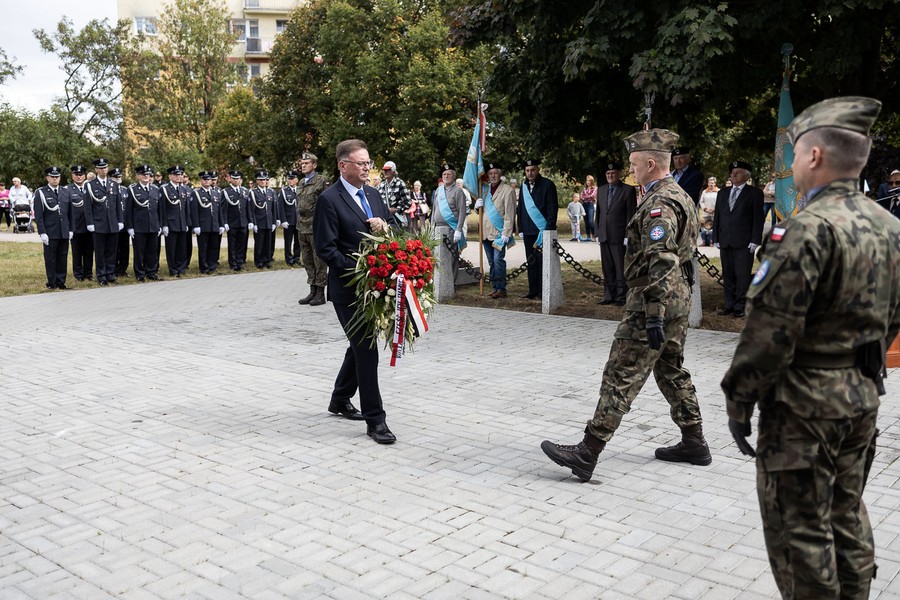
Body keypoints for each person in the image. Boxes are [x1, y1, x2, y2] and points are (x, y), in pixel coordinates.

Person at [721, 96, 898, 600]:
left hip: (803, 408)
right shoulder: (891, 227)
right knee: (847, 513)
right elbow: (894, 319)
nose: (791, 164)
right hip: (862, 396)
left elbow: (769, 332)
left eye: (795, 153)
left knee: (801, 532)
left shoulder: (806, 228)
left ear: (815, 156)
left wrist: (739, 401)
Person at [540, 128, 708, 482]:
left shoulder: (660, 203)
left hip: (653, 300)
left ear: (651, 164)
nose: (631, 170)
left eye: (634, 164)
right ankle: (694, 441)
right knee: (670, 368)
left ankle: (588, 451)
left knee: (621, 372)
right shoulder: (679, 194)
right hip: (677, 298)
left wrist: (654, 313)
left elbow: (661, 260)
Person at [313, 139, 395, 444]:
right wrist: (361, 269)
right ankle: (376, 420)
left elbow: (390, 230)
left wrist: (385, 230)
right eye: (360, 163)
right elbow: (326, 249)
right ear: (343, 165)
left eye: (368, 162)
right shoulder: (328, 200)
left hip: (376, 287)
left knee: (359, 346)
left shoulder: (373, 194)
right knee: (366, 348)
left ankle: (339, 398)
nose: (366, 168)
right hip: (348, 289)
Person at [712, 161, 765, 318]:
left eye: (738, 172)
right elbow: (718, 217)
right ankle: (728, 304)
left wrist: (755, 240)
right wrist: (716, 237)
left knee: (742, 276)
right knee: (728, 274)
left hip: (744, 242)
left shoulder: (754, 193)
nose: (733, 175)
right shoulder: (722, 193)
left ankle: (740, 306)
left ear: (747, 176)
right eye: (732, 172)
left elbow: (758, 219)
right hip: (725, 240)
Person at [515, 158, 558, 300]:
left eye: (532, 170)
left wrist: (549, 228)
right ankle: (532, 290)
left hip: (542, 230)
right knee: (531, 261)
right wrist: (520, 228)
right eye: (527, 171)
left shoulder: (547, 185)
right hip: (528, 230)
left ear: (538, 170)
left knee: (542, 262)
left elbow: (552, 207)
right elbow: (521, 208)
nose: (530, 173)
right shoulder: (524, 186)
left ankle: (543, 291)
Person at [596, 161, 637, 306]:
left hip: (619, 236)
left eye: (613, 173)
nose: (610, 175)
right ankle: (608, 295)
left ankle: (621, 297)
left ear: (619, 174)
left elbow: (631, 215)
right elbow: (599, 213)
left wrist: (627, 235)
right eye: (608, 173)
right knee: (607, 268)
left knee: (620, 268)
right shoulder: (601, 190)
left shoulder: (628, 190)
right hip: (604, 235)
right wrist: (598, 232)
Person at [473, 162, 515, 299]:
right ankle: (495, 287)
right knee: (491, 262)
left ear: (500, 174)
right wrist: (476, 206)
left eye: (495, 173)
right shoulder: (484, 190)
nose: (493, 176)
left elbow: (510, 214)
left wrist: (506, 233)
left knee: (498, 260)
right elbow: (482, 211)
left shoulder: (507, 190)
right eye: (490, 173)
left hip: (499, 233)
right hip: (485, 233)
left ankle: (502, 288)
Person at [296, 152, 329, 306]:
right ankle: (312, 290)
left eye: (306, 163)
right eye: (302, 164)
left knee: (319, 260)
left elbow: (326, 204)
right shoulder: (301, 182)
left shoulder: (322, 181)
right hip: (302, 226)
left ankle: (320, 292)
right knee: (307, 259)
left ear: (314, 165)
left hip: (316, 226)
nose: (303, 166)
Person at [33, 166, 73, 290]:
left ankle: (61, 282)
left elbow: (70, 213)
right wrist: (42, 232)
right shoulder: (41, 192)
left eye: (57, 177)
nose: (55, 179)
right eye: (52, 177)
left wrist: (71, 229)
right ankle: (52, 282)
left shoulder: (65, 192)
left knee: (62, 257)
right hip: (50, 231)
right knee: (50, 258)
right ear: (47, 178)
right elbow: (39, 215)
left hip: (63, 231)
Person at [85, 158, 124, 286]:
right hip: (99, 223)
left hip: (112, 223)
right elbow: (88, 206)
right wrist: (90, 223)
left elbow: (118, 204)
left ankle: (111, 274)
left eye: (105, 167)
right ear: (96, 169)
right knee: (100, 251)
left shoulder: (113, 184)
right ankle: (101, 275)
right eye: (101, 168)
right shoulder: (90, 185)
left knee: (112, 251)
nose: (103, 170)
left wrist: (120, 220)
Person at [124, 165, 163, 282]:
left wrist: (159, 225)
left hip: (153, 225)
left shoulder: (155, 189)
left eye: (148, 174)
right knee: (139, 252)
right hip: (139, 226)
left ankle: (151, 272)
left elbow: (159, 210)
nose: (146, 176)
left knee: (152, 251)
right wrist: (130, 227)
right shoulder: (132, 189)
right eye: (143, 174)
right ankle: (139, 274)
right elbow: (128, 210)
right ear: (138, 176)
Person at [431, 163, 468, 282]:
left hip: (451, 228)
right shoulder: (439, 190)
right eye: (444, 174)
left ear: (454, 176)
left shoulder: (458, 191)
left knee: (452, 257)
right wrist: (431, 227)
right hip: (438, 229)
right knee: (438, 256)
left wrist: (458, 229)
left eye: (449, 174)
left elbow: (462, 212)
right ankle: (440, 283)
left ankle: (451, 284)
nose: (446, 176)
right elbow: (434, 210)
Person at [64, 165, 93, 281]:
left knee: (89, 251)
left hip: (89, 225)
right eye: (76, 175)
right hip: (76, 225)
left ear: (84, 176)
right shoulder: (67, 189)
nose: (79, 177)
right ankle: (78, 274)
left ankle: (88, 273)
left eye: (81, 175)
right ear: (72, 176)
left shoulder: (90, 187)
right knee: (77, 251)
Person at [191, 171, 224, 274]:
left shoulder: (216, 193)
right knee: (203, 248)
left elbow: (219, 210)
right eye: (204, 179)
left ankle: (212, 266)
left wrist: (221, 224)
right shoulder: (196, 193)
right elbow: (194, 211)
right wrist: (196, 225)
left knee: (214, 246)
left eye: (208, 179)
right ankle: (204, 267)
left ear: (211, 181)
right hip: (203, 225)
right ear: (201, 181)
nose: (206, 181)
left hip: (214, 224)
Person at [161, 165, 190, 277]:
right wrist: (164, 225)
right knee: (171, 248)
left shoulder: (183, 189)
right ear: (170, 176)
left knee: (182, 248)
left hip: (182, 223)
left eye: (180, 174)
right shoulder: (165, 189)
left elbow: (186, 208)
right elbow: (162, 208)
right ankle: (173, 269)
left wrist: (186, 222)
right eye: (175, 175)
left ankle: (181, 268)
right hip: (171, 223)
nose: (178, 176)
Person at [222, 170, 250, 271]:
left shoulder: (245, 191)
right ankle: (233, 263)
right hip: (232, 222)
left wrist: (250, 221)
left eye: (237, 178)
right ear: (230, 179)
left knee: (242, 243)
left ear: (240, 179)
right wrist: (225, 222)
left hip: (243, 222)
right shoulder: (226, 192)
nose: (236, 180)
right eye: (234, 178)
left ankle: (240, 262)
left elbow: (248, 208)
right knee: (232, 244)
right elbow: (223, 209)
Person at [249, 170, 276, 269]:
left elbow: (273, 208)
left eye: (264, 180)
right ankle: (259, 261)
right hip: (259, 222)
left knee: (268, 243)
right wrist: (253, 223)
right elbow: (251, 209)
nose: (263, 182)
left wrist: (274, 222)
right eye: (260, 180)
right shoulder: (253, 193)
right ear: (257, 181)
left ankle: (267, 260)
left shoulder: (270, 192)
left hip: (269, 221)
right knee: (259, 244)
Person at [276, 170, 302, 266]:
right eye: (289, 179)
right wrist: (283, 220)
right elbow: (281, 207)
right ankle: (288, 259)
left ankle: (297, 258)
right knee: (288, 241)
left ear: (297, 180)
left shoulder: (300, 190)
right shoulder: (283, 191)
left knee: (298, 241)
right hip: (288, 221)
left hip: (298, 220)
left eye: (292, 179)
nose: (290, 181)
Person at [377, 160, 411, 228]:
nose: (385, 172)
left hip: (397, 219)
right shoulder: (381, 185)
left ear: (393, 171)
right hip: (385, 219)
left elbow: (408, 202)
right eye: (384, 170)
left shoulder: (400, 183)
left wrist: (397, 210)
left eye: (388, 170)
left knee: (398, 234)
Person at [580, 175, 597, 242]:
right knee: (586, 222)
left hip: (590, 205)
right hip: (584, 205)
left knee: (591, 221)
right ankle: (588, 236)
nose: (588, 182)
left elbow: (592, 196)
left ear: (592, 181)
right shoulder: (585, 189)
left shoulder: (595, 188)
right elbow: (581, 196)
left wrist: (585, 197)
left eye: (589, 181)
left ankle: (594, 235)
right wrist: (586, 197)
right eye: (587, 180)